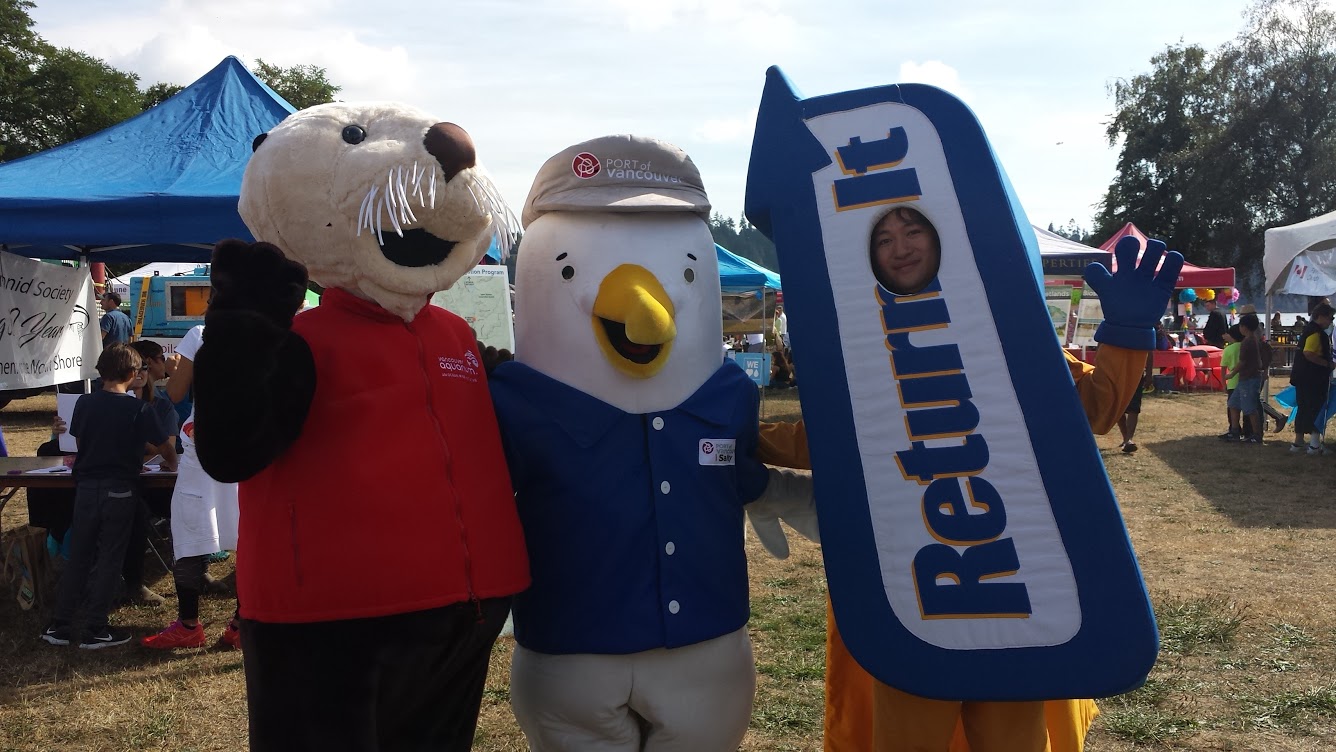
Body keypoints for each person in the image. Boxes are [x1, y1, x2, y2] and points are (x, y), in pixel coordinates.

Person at [40, 344, 177, 649]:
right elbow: (165, 446)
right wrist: (172, 463)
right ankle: (96, 628)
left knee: (80, 556)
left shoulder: (85, 403)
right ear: (132, 373)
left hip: (86, 488)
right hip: (120, 489)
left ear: (101, 372)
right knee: (110, 558)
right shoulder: (139, 409)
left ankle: (60, 625)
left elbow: (79, 440)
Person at [141, 324, 244, 650]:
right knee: (249, 537)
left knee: (188, 534)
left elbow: (174, 393)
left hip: (203, 450)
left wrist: (175, 370)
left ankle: (188, 625)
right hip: (248, 447)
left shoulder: (202, 333)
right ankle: (243, 623)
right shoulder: (272, 330)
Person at [1287, 303, 1335, 454]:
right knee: (1316, 409)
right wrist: (1327, 364)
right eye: (1330, 318)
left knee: (1302, 409)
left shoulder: (1308, 330)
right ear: (1321, 317)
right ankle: (1314, 445)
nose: (1331, 321)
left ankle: (1298, 442)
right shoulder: (1316, 333)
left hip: (1302, 377)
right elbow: (1308, 353)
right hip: (1313, 379)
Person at [1225, 313, 1269, 445]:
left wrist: (1231, 374)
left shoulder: (1247, 342)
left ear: (1244, 327)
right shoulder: (1253, 340)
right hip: (1245, 378)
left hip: (1249, 378)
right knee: (1233, 403)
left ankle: (1256, 435)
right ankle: (1235, 431)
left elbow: (1242, 362)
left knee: (1250, 408)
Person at [1117, 353, 1154, 453]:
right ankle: (1126, 438)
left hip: (1136, 372)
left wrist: (1149, 374)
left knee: (1134, 407)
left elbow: (1149, 352)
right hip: (1116, 370)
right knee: (1118, 407)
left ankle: (1128, 439)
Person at [1218, 325, 1245, 441]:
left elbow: (1223, 369)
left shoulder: (1228, 349)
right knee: (1247, 407)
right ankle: (1247, 429)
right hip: (1245, 379)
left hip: (1233, 382)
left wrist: (1224, 384)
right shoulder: (1245, 346)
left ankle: (1234, 429)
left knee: (1232, 408)